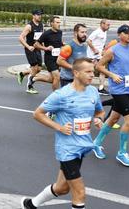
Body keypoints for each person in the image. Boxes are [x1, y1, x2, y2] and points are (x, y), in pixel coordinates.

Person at [21, 57, 104, 209]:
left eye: (93, 71)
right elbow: (38, 114)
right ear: (76, 73)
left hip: (84, 146)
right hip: (67, 149)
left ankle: (30, 204)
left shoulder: (93, 92)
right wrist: (59, 127)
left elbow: (99, 112)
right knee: (79, 192)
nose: (93, 75)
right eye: (88, 72)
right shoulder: (62, 95)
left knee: (62, 188)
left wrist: (99, 120)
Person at [92, 25, 129, 167]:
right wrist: (112, 75)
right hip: (118, 90)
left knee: (113, 118)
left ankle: (96, 143)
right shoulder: (112, 51)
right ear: (119, 35)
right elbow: (98, 66)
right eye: (127, 33)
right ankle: (122, 153)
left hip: (128, 88)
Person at [17, 9, 44, 94]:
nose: (39, 16)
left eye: (40, 14)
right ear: (33, 16)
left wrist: (43, 47)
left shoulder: (41, 25)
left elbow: (41, 38)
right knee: (34, 68)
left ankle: (22, 73)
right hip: (30, 49)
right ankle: (30, 86)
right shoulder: (29, 26)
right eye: (38, 14)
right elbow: (20, 38)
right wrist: (28, 46)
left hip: (37, 49)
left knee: (39, 69)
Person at [34, 16, 63, 90]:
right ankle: (55, 97)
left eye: (59, 22)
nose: (59, 24)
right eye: (57, 22)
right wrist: (46, 48)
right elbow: (36, 44)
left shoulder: (60, 32)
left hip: (58, 58)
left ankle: (34, 79)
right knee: (57, 77)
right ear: (52, 23)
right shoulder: (46, 34)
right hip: (49, 59)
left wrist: (64, 45)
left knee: (51, 79)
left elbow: (60, 42)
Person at [86, 19, 110, 95]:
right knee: (89, 70)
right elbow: (88, 41)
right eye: (107, 25)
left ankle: (101, 88)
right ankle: (83, 86)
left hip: (99, 55)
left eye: (109, 25)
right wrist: (94, 49)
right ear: (102, 24)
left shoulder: (105, 32)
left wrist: (103, 49)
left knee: (103, 70)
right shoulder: (96, 32)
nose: (108, 26)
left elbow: (102, 43)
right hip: (92, 55)